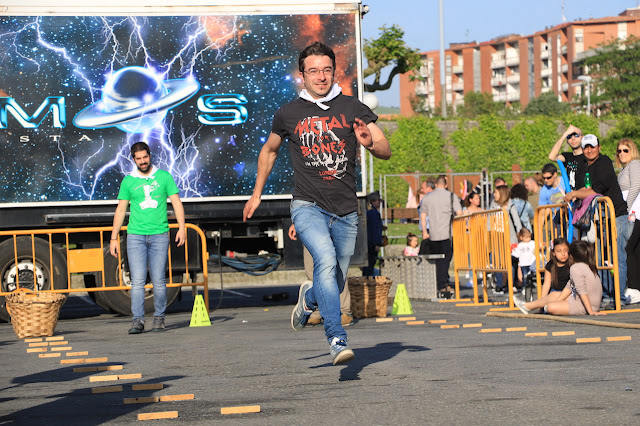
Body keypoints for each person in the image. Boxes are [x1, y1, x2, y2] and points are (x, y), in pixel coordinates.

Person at [242, 41, 391, 366]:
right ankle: (337, 339)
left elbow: (384, 146)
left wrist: (369, 144)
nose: (321, 77)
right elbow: (269, 151)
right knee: (324, 262)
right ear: (302, 75)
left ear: (334, 72)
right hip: (307, 205)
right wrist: (257, 193)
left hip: (346, 211)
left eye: (326, 70)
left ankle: (308, 299)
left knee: (335, 279)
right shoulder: (288, 113)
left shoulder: (353, 107)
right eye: (313, 71)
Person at [110, 142, 186, 334]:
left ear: (150, 156)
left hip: (159, 235)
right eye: (138, 158)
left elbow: (176, 203)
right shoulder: (128, 181)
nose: (142, 161)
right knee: (137, 281)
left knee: (159, 280)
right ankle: (138, 320)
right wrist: (113, 237)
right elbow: (120, 210)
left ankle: (159, 318)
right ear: (133, 159)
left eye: (145, 157)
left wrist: (182, 228)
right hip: (135, 236)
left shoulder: (164, 177)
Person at [564, 134, 629, 304]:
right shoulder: (581, 166)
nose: (590, 150)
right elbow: (581, 188)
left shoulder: (605, 162)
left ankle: (619, 297)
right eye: (586, 147)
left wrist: (573, 194)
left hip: (617, 215)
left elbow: (594, 190)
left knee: (617, 257)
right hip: (598, 219)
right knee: (599, 259)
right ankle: (607, 295)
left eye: (593, 146)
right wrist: (575, 194)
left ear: (599, 148)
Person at [287, 224, 353, 327]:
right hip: (310, 225)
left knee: (336, 269)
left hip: (332, 221)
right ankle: (316, 312)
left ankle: (344, 311)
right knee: (311, 270)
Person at [515, 241, 604, 316]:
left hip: (584, 305)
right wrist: (557, 301)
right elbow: (569, 286)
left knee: (549, 307)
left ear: (571, 256)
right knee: (554, 296)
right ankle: (527, 306)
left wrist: (591, 312)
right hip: (585, 302)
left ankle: (531, 306)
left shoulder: (575, 267)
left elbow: (582, 290)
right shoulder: (587, 265)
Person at [419, 175, 462, 298]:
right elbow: (459, 214)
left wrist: (424, 232)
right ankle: (442, 285)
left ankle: (439, 283)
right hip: (447, 234)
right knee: (445, 260)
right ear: (445, 185)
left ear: (436, 184)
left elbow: (423, 216)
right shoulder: (451, 196)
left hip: (433, 234)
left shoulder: (427, 198)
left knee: (436, 261)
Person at [548, 124, 586, 191]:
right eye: (569, 136)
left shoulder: (588, 156)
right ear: (567, 141)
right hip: (570, 197)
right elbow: (552, 156)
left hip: (584, 197)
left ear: (582, 137)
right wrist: (564, 135)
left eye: (576, 135)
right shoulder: (568, 157)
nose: (573, 138)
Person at [363, 191, 385, 276]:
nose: (379, 203)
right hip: (372, 244)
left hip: (368, 243)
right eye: (378, 201)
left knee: (368, 266)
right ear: (373, 202)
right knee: (370, 266)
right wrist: (377, 243)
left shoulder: (369, 212)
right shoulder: (374, 213)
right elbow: (374, 230)